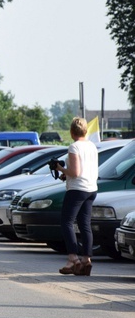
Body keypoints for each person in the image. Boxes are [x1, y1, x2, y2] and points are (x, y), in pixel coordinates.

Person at [52, 117, 98, 276]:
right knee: (85, 224)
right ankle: (87, 260)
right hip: (91, 188)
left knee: (66, 222)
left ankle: (73, 258)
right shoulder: (92, 146)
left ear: (72, 132)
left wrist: (60, 168)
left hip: (77, 189)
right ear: (85, 130)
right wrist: (67, 175)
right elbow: (82, 170)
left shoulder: (74, 147)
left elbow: (75, 172)